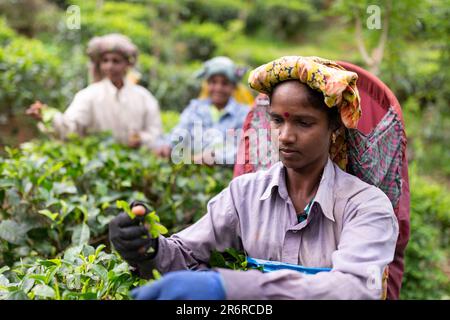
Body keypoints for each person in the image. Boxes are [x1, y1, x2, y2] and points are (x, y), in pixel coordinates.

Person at [109, 56, 399, 300]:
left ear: (334, 127)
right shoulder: (245, 194)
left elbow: (356, 289)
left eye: (304, 122)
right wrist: (146, 248)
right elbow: (185, 253)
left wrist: (235, 288)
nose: (285, 136)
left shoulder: (366, 206)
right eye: (277, 120)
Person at [26, 33, 162, 149]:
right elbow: (71, 127)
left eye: (116, 61)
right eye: (105, 61)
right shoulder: (89, 96)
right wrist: (49, 117)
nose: (110, 66)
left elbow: (156, 132)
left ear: (127, 64)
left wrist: (141, 139)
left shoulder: (144, 97)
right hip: (99, 168)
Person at [153, 56, 250, 165]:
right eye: (213, 82)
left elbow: (246, 151)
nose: (218, 88)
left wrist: (216, 156)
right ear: (207, 85)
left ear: (233, 87)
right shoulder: (195, 108)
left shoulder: (244, 114)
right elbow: (180, 132)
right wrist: (166, 144)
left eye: (225, 83)